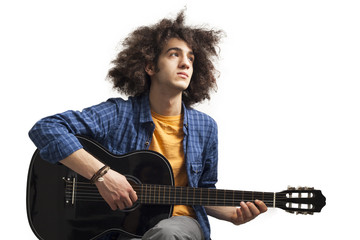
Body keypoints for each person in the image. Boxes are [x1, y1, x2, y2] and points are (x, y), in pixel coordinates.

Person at [29, 10, 267, 240]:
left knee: (166, 233)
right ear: (150, 66)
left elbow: (203, 191)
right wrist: (102, 175)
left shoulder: (206, 127)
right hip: (121, 229)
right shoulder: (119, 113)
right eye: (174, 54)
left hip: (179, 226)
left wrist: (233, 215)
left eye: (191, 58)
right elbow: (46, 128)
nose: (186, 63)